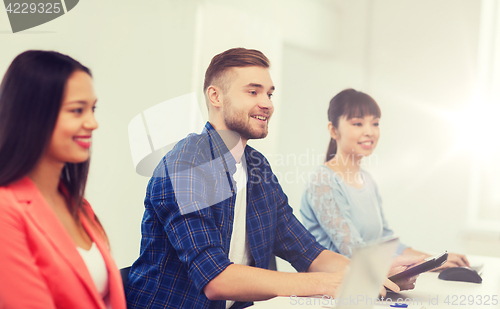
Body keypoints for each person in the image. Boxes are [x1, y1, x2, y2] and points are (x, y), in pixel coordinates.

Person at [126, 48, 420, 309]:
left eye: (269, 93)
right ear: (215, 96)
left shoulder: (256, 167)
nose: (267, 103)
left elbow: (309, 252)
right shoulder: (188, 165)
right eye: (253, 92)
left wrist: (367, 276)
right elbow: (216, 279)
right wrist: (325, 284)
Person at [0, 51, 126, 309]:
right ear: (33, 114)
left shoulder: (78, 205)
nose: (92, 123)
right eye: (77, 110)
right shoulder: (5, 212)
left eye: (92, 109)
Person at [300, 88, 469, 270]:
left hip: (368, 282)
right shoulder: (323, 181)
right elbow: (354, 251)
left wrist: (436, 260)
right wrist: (426, 265)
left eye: (375, 124)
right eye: (357, 124)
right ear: (333, 130)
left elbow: (385, 242)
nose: (369, 132)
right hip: (331, 290)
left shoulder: (367, 179)